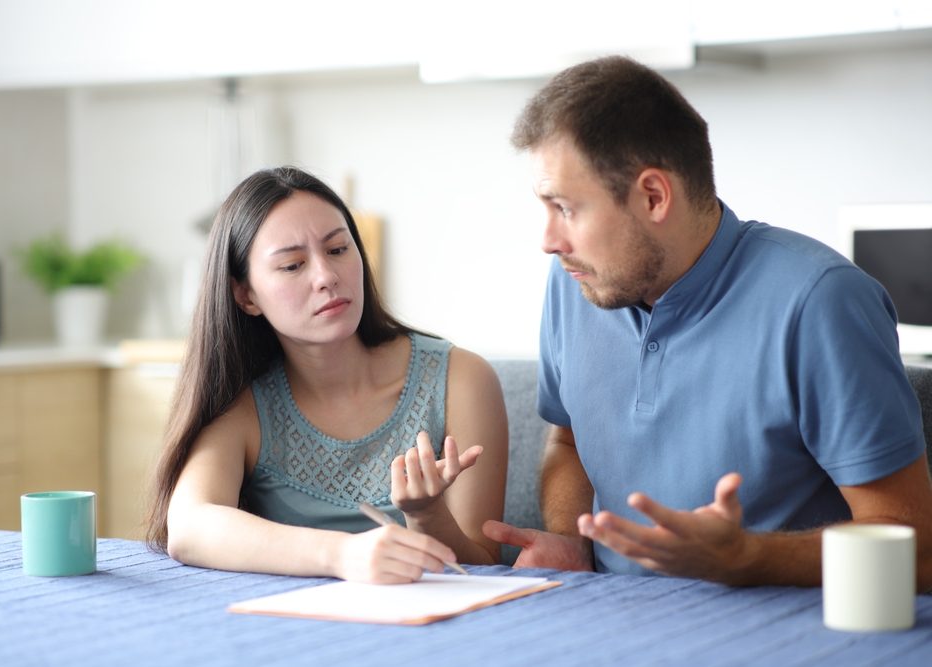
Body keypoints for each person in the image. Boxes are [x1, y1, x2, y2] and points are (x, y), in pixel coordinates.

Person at [483, 56, 932, 590]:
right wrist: (571, 539)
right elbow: (569, 445)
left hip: (778, 625)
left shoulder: (820, 300)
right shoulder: (576, 284)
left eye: (566, 208)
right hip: (608, 618)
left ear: (654, 196)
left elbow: (914, 548)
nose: (549, 240)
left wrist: (746, 557)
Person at [147, 166, 507, 584]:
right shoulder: (246, 402)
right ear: (246, 296)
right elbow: (190, 528)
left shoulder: (460, 380)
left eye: (338, 250)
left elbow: (484, 566)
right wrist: (341, 555)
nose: (326, 277)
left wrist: (427, 515)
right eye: (293, 265)